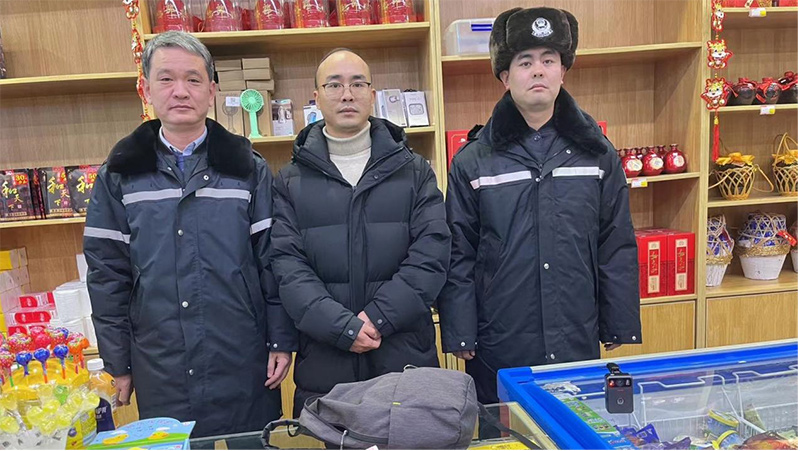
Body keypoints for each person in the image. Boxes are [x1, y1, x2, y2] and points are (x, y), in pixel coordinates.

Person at [84, 31, 295, 437]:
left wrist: (280, 339)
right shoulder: (120, 174)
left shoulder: (247, 168)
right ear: (145, 88)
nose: (180, 91)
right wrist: (117, 362)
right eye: (166, 79)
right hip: (160, 364)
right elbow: (107, 275)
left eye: (193, 79)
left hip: (243, 356)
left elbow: (274, 261)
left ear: (211, 91)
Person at [438, 7, 641, 405]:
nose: (538, 71)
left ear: (563, 71)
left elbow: (615, 241)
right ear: (505, 76)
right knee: (505, 431)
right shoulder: (473, 161)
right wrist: (460, 330)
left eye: (549, 61)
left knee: (574, 425)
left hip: (576, 331)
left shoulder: (597, 155)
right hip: (500, 339)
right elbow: (458, 252)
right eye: (525, 62)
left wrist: (618, 321)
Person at [270, 48, 451, 417]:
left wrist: (378, 317)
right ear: (317, 97)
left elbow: (432, 254)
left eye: (357, 84)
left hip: (404, 356)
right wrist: (341, 328)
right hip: (326, 362)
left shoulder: (414, 171)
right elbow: (287, 267)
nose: (347, 94)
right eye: (334, 85)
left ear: (372, 94)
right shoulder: (290, 181)